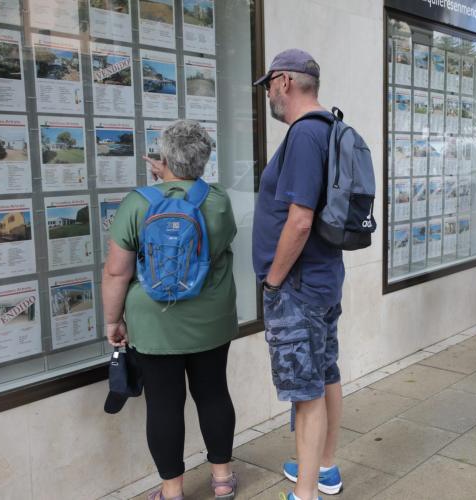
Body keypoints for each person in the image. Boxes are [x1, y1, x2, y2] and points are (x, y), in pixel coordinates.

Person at [103, 120, 239, 500]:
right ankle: (222, 479)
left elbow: (116, 272)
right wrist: (174, 175)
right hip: (211, 320)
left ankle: (172, 491)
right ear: (203, 159)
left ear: (162, 159)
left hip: (154, 323)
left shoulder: (137, 202)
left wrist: (113, 320)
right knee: (214, 393)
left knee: (164, 404)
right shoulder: (218, 200)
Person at [252, 49, 344, 500]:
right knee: (324, 374)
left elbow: (301, 220)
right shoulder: (330, 127)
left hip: (298, 286)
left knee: (306, 391)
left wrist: (273, 280)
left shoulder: (305, 134)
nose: (268, 94)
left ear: (284, 82)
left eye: (269, 85)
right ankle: (323, 468)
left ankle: (304, 494)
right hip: (321, 277)